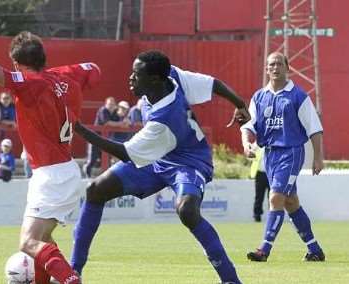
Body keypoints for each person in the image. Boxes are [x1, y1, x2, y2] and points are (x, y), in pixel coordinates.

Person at [0, 22, 100, 284]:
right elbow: (94, 70)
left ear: (16, 62)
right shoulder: (64, 76)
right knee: (44, 240)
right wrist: (64, 75)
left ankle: (70, 279)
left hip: (50, 174)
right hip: (66, 169)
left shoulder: (29, 83)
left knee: (28, 241)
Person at [71, 50, 250, 284]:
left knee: (187, 210)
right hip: (160, 157)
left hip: (189, 161)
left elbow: (124, 153)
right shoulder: (173, 75)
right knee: (96, 189)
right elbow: (213, 84)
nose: (131, 78)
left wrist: (79, 129)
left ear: (155, 79)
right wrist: (239, 104)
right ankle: (74, 273)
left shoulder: (165, 117)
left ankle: (230, 280)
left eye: (137, 74)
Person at [240, 52, 325, 262]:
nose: (275, 67)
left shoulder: (298, 96)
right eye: (271, 64)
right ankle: (314, 249)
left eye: (279, 63)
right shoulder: (259, 97)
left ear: (288, 68)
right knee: (290, 202)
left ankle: (264, 250)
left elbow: (314, 129)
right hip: (269, 155)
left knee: (275, 197)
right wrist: (246, 144)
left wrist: (318, 157)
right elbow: (248, 126)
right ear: (267, 69)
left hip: (292, 152)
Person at [82, 96, 118, 177]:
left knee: (107, 160)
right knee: (92, 159)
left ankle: (106, 177)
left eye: (112, 104)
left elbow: (119, 121)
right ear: (106, 104)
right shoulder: (103, 110)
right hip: (95, 138)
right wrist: (120, 124)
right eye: (109, 104)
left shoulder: (115, 113)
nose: (111, 106)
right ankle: (87, 175)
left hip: (105, 140)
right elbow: (107, 123)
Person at [249, 147, 269, 222]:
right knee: (259, 196)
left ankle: (272, 215)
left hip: (271, 174)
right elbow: (251, 157)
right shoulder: (258, 147)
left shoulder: (273, 146)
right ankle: (257, 215)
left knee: (272, 196)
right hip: (260, 174)